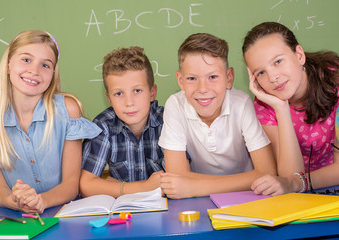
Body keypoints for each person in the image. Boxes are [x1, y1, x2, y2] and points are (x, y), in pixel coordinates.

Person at [0, 30, 100, 213]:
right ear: (8, 65)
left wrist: (40, 201)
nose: (34, 71)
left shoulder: (67, 110)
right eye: (26, 60)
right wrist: (13, 200)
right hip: (18, 217)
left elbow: (70, 185)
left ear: (53, 73)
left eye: (45, 65)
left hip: (66, 213)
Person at [158, 33, 276, 199]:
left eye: (212, 77)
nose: (203, 88)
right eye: (192, 78)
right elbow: (176, 175)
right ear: (180, 80)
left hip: (248, 197)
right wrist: (194, 186)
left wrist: (196, 187)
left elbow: (267, 172)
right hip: (204, 199)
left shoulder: (241, 103)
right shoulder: (175, 105)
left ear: (229, 78)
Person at [242, 22, 339, 196]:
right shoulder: (265, 105)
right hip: (300, 194)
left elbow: (292, 182)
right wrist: (281, 109)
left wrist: (297, 183)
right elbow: (288, 176)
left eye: (278, 61)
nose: (273, 77)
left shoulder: (335, 80)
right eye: (261, 73)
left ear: (299, 55)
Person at [80, 46, 165, 198]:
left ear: (152, 93)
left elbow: (178, 179)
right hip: (125, 214)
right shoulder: (104, 126)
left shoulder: (167, 121)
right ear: (109, 99)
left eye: (137, 91)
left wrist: (114, 187)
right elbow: (86, 185)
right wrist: (144, 187)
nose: (129, 102)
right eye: (119, 93)